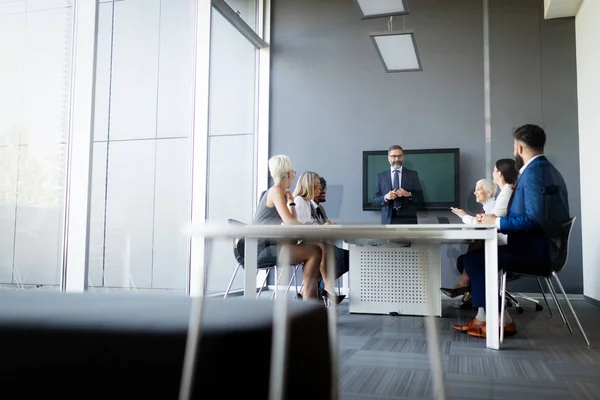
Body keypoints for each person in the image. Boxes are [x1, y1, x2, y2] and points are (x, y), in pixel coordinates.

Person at [453, 124, 570, 338]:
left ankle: (500, 320)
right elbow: (537, 215)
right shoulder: (550, 170)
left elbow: (533, 219)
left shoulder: (534, 174)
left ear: (519, 148)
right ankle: (485, 317)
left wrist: (497, 222)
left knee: (473, 261)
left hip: (536, 251)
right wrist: (497, 219)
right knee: (474, 258)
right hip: (543, 247)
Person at [443, 161, 519, 307]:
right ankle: (474, 299)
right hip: (503, 243)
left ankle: (481, 306)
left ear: (499, 174)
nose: (475, 192)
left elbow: (490, 223)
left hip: (505, 246)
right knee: (467, 256)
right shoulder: (503, 196)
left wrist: (465, 217)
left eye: (479, 189)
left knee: (470, 259)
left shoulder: (503, 196)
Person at [252, 155, 322, 300]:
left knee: (313, 247)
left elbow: (292, 220)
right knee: (314, 251)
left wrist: (290, 200)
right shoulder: (276, 190)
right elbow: (290, 222)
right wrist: (307, 229)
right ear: (289, 173)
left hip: (266, 245)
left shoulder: (279, 192)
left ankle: (310, 299)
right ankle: (310, 301)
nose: (293, 177)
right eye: (293, 173)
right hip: (261, 250)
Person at [292, 172, 345, 303]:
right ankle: (325, 287)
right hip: (293, 243)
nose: (320, 189)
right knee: (321, 246)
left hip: (306, 241)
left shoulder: (306, 203)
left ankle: (313, 291)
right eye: (318, 186)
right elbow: (300, 229)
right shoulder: (299, 201)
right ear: (309, 185)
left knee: (321, 246)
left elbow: (308, 228)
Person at [313, 176, 350, 296]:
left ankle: (321, 285)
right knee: (347, 258)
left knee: (348, 257)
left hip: (326, 245)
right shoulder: (307, 206)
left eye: (325, 189)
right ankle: (322, 286)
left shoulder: (320, 208)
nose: (324, 192)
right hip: (316, 247)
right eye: (321, 188)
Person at [373, 145, 424, 224]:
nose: (397, 159)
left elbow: (420, 199)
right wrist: (386, 197)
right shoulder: (381, 176)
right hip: (388, 219)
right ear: (388, 158)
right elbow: (375, 201)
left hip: (408, 219)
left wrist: (409, 194)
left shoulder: (412, 174)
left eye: (399, 156)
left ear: (403, 157)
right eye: (393, 156)